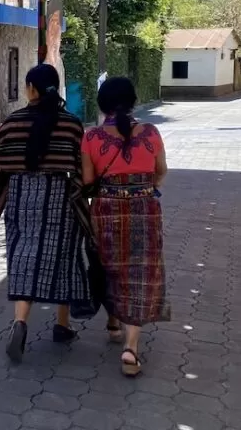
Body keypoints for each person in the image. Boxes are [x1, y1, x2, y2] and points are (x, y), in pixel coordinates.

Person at [0, 64, 89, 363]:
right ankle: (63, 325)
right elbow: (78, 163)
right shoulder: (72, 123)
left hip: (23, 197)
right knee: (64, 257)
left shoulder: (15, 120)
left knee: (23, 255)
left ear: (31, 89)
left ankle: (20, 322)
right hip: (60, 197)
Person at [81, 77, 169, 377]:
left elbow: (88, 182)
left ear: (102, 104)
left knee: (109, 268)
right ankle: (131, 348)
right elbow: (161, 173)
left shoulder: (91, 137)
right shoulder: (152, 133)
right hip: (145, 210)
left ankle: (113, 321)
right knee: (140, 273)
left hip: (105, 210)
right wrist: (143, 188)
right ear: (133, 101)